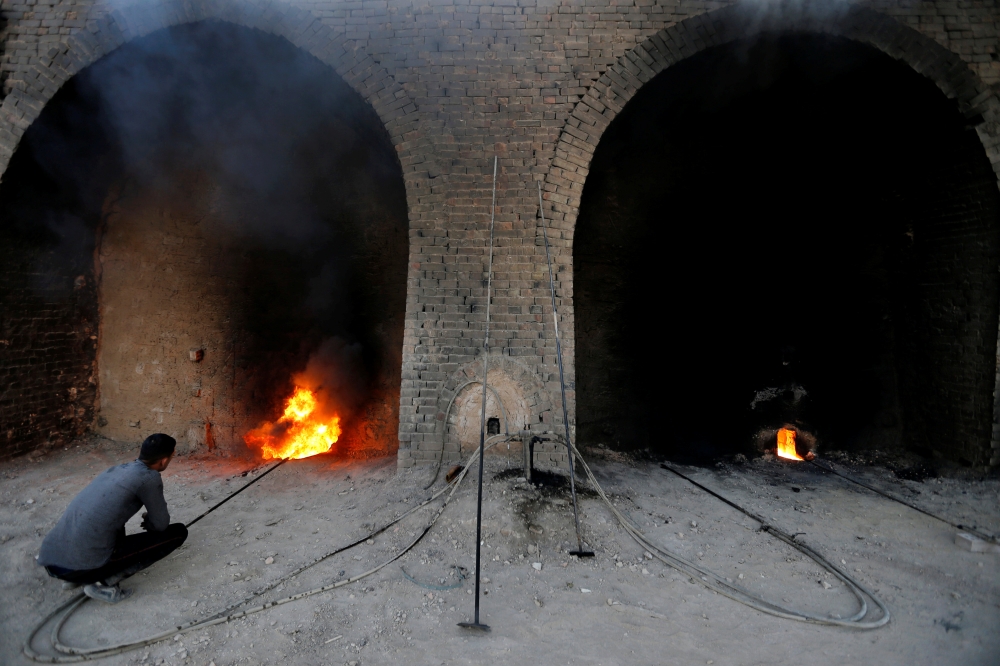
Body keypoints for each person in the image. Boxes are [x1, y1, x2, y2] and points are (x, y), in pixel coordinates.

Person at [37, 433, 188, 604]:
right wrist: (151, 521)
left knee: (111, 524)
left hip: (53, 559)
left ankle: (78, 576)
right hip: (75, 566)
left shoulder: (119, 470)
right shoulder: (149, 477)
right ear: (163, 460)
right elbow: (161, 525)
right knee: (178, 533)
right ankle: (101, 583)